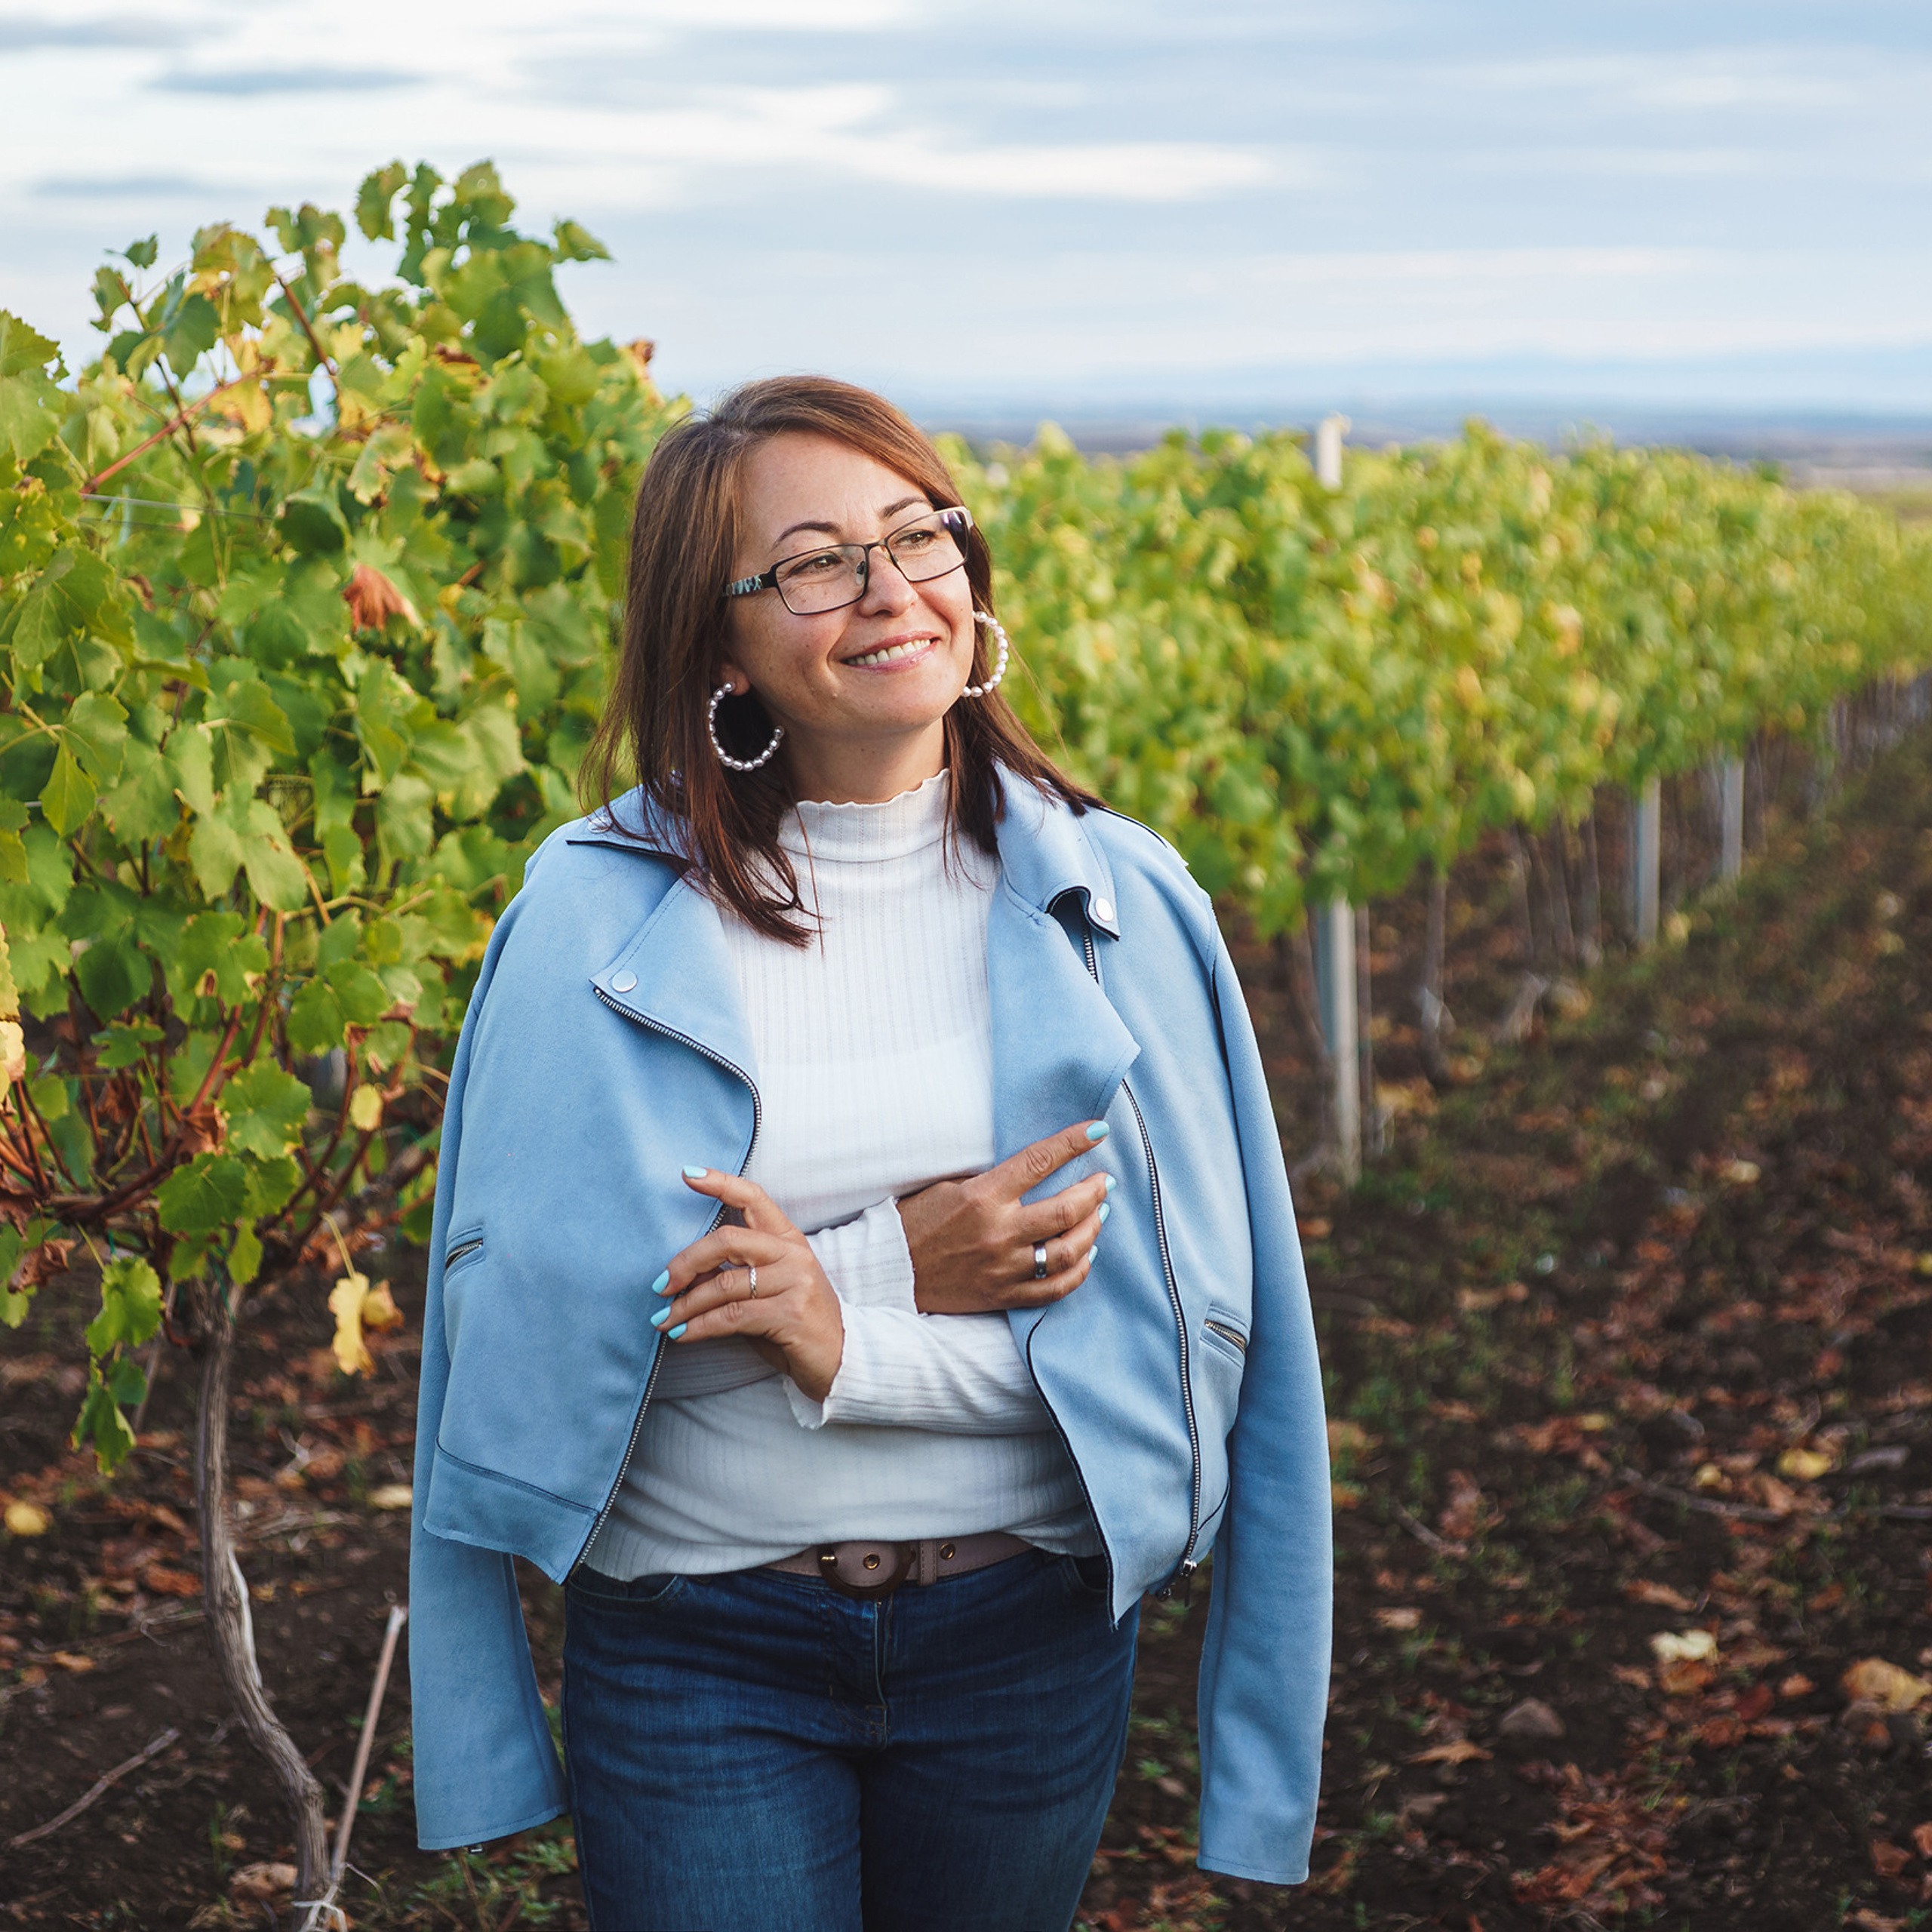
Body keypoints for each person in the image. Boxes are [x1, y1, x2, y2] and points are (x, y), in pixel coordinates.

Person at [407, 377, 1332, 1930]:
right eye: (816, 561)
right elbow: (526, 1364)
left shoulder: (1126, 904)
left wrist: (829, 1327)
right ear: (718, 642)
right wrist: (899, 1262)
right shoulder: (582, 915)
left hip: (1023, 1642)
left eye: (919, 535)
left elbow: (1170, 1361)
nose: (892, 588)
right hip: (700, 1640)